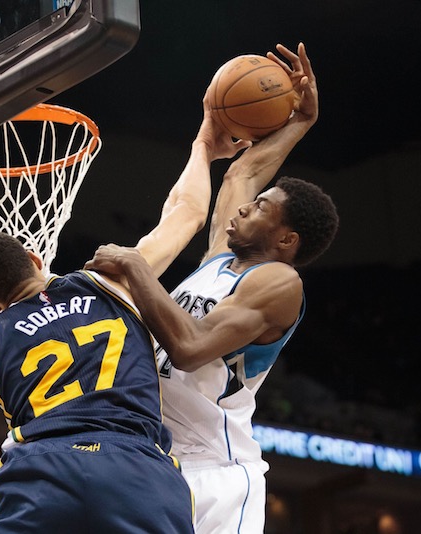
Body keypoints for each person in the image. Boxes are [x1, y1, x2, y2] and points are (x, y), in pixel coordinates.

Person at [0, 72, 253, 532]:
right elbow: (190, 212)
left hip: (40, 482)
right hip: (138, 475)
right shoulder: (114, 281)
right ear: (36, 258)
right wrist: (204, 145)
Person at [86, 42, 334, 534]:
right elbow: (241, 170)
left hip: (216, 474)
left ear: (286, 240)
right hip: (155, 458)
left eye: (261, 208)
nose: (244, 207)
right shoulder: (220, 260)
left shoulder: (278, 283)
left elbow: (190, 347)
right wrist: (296, 122)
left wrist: (136, 266)